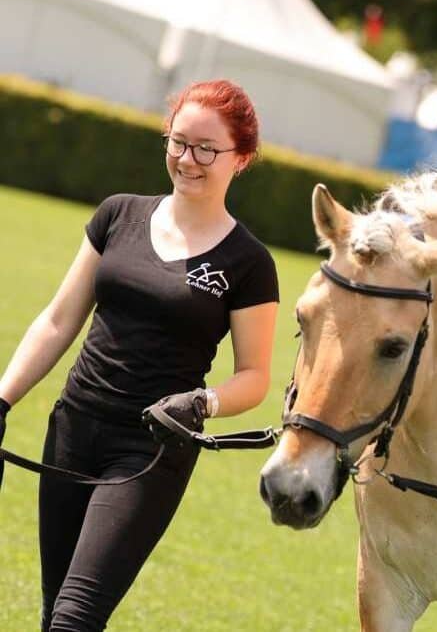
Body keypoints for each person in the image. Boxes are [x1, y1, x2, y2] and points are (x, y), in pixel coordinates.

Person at [0, 79, 279, 631]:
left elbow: (254, 377)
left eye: (207, 149)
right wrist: (2, 400)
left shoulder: (249, 263)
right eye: (178, 142)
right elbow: (57, 321)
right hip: (72, 430)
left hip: (151, 451)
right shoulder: (117, 214)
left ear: (240, 159)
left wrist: (202, 404)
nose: (187, 159)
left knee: (74, 621)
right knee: (54, 613)